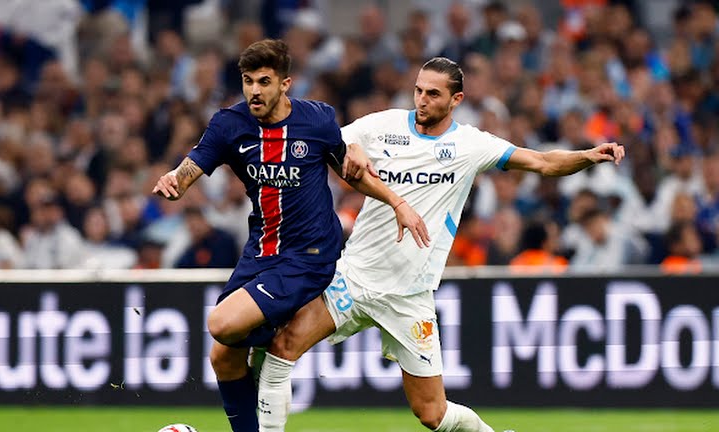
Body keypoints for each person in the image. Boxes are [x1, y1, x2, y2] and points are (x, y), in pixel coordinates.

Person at [257, 57, 625, 432]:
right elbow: (330, 140)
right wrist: (352, 148)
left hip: (409, 296)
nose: (422, 100)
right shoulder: (382, 126)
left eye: (433, 94)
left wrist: (586, 156)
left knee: (432, 414)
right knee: (282, 348)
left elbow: (542, 162)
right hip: (354, 280)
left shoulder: (470, 145)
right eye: (418, 90)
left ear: (456, 99)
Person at [151, 39, 430, 432]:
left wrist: (396, 202)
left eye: (264, 81)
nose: (254, 91)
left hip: (310, 255)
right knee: (222, 358)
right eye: (248, 81)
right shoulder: (229, 125)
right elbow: (191, 166)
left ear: (285, 84)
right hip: (261, 252)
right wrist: (174, 180)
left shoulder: (317, 120)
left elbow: (350, 172)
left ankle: (273, 331)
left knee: (221, 324)